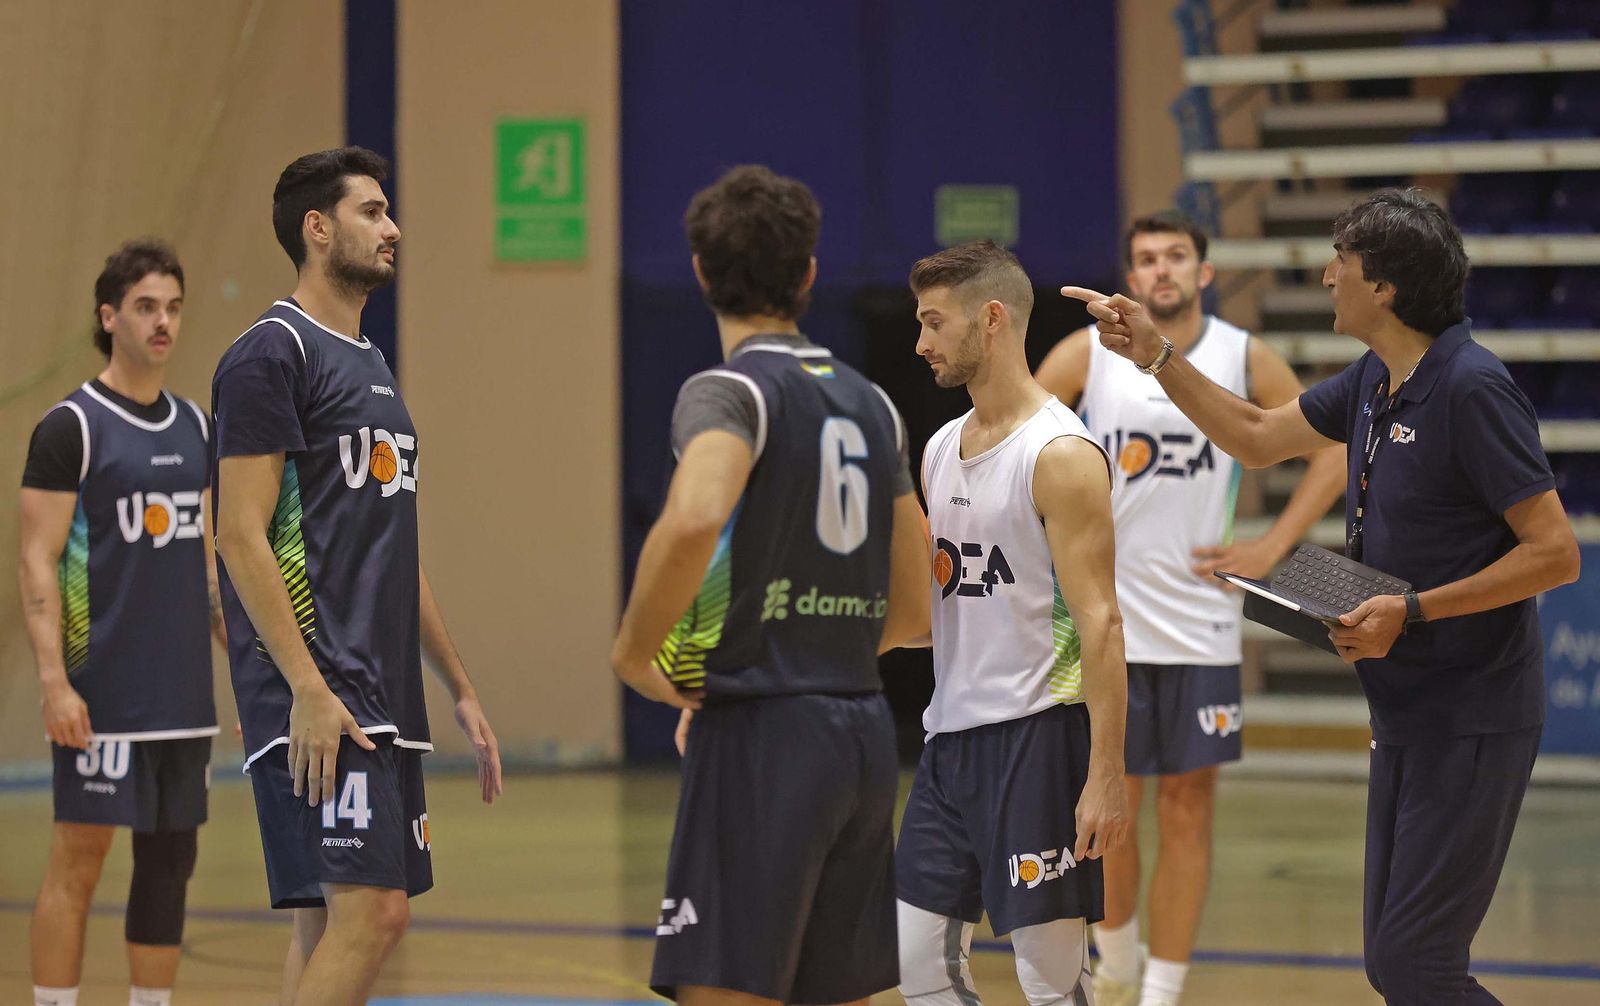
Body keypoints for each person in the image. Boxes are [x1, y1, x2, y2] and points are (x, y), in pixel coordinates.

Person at [1067, 188, 1580, 1006]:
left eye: (1340, 261)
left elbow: (1555, 555)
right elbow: (1258, 437)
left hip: (1473, 711)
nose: (1325, 273)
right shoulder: (1378, 376)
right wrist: (1159, 356)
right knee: (1393, 964)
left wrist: (1410, 611)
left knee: (1420, 964)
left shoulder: (1472, 388)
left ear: (1382, 287)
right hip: (1405, 705)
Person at [611, 164, 931, 1006]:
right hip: (860, 733)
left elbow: (692, 519)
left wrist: (636, 653)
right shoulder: (873, 404)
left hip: (762, 735)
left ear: (701, 272)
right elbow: (915, 608)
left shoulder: (729, 391)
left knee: (724, 989)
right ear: (809, 275)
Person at [211, 146, 503, 1006]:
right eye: (372, 211)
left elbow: (393, 548)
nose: (393, 228)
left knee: (327, 925)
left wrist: (459, 685)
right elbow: (237, 534)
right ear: (317, 227)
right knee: (375, 916)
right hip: (320, 690)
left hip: (380, 690)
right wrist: (304, 686)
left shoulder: (370, 364)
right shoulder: (271, 354)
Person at [1036, 211, 1346, 1006]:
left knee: (1185, 809)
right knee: (1112, 804)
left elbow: (1336, 450)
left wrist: (1272, 546)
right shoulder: (1086, 357)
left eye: (1177, 256)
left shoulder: (1243, 356)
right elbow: (1015, 438)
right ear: (1131, 278)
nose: (1162, 269)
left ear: (1204, 273)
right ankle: (1119, 963)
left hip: (1202, 622)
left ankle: (1163, 992)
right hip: (1110, 622)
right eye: (1146, 259)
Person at [895, 239, 1129, 1006]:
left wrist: (1104, 774)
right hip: (948, 744)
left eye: (935, 322)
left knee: (1051, 982)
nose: (921, 342)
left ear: (991, 319)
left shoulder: (1060, 454)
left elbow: (1101, 624)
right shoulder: (937, 449)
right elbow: (941, 609)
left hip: (1038, 740)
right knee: (920, 965)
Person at [20, 239, 222, 1006]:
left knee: (170, 866)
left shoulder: (199, 429)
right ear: (110, 317)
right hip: (100, 696)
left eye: (172, 307)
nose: (162, 322)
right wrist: (53, 682)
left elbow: (206, 557)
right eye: (145, 307)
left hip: (181, 702)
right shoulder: (71, 426)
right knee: (78, 861)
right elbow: (36, 563)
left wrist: (242, 652)